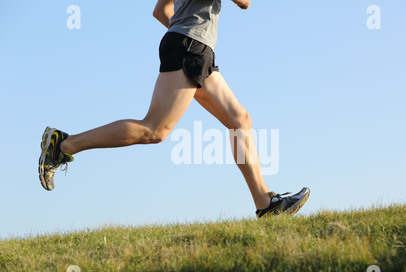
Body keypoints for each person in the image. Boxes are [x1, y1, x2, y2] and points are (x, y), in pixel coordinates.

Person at [38, 0, 310, 218]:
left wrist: (181, 29)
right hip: (189, 47)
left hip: (193, 47)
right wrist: (185, 33)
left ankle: (265, 204)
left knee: (239, 120)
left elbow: (161, 11)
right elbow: (245, 2)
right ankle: (63, 145)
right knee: (154, 129)